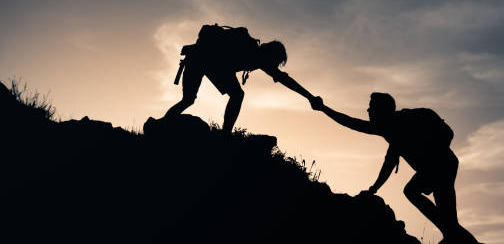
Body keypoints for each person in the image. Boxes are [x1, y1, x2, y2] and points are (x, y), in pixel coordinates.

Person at [311, 92, 479, 244]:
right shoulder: (388, 129)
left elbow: (448, 133)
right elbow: (353, 124)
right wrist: (324, 108)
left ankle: (452, 235)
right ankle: (453, 235)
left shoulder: (405, 121)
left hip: (443, 165)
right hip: (438, 167)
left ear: (382, 110)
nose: (367, 111)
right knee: (447, 220)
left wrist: (431, 152)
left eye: (371, 108)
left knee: (415, 194)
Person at [164, 24, 319, 133]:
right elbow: (285, 80)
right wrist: (310, 97)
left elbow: (285, 79)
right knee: (236, 95)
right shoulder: (254, 52)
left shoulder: (258, 55)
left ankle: (162, 125)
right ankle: (225, 134)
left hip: (197, 60)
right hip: (205, 60)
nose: (274, 66)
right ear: (270, 54)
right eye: (275, 62)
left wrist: (310, 97)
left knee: (188, 100)